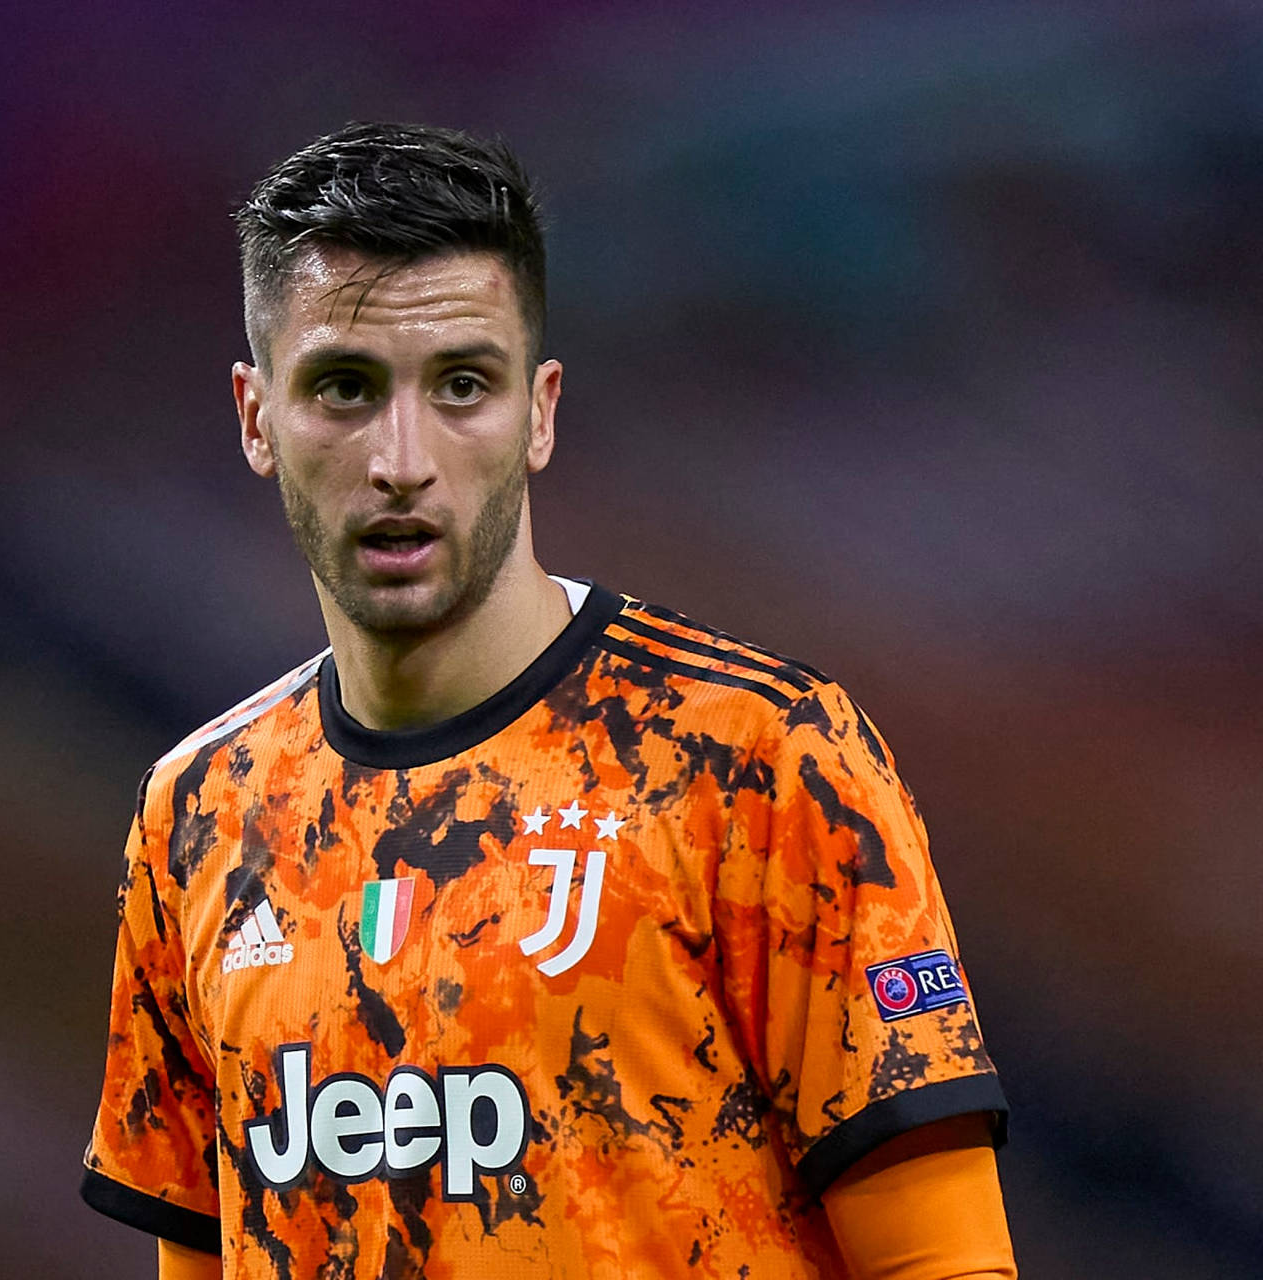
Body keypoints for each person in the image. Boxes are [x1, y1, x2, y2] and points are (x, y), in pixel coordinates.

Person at [80, 121, 1016, 1279]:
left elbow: (945, 1262)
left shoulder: (756, 758)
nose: (403, 458)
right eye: (343, 388)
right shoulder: (199, 815)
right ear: (256, 416)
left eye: (462, 384)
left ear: (541, 410)